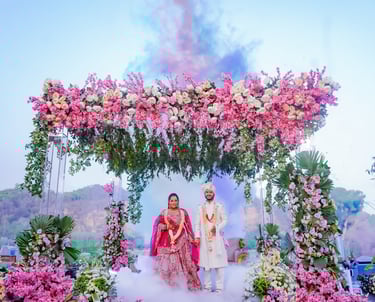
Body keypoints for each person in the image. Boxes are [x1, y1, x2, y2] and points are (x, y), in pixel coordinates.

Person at [150, 193, 201, 291]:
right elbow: (157, 225)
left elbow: (188, 227)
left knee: (185, 263)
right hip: (165, 242)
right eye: (171, 200)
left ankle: (183, 286)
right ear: (168, 202)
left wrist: (192, 238)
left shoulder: (183, 212)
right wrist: (165, 226)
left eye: (175, 200)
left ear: (178, 201)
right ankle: (165, 287)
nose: (174, 202)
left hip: (181, 241)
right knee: (165, 264)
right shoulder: (164, 212)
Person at [194, 182, 228, 294]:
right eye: (207, 192)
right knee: (206, 265)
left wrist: (217, 227)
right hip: (205, 240)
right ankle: (207, 287)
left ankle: (219, 288)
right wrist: (197, 237)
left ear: (213, 193)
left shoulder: (219, 206)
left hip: (217, 238)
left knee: (219, 264)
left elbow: (225, 220)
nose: (208, 194)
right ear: (205, 194)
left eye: (210, 192)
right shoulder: (200, 208)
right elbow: (197, 224)